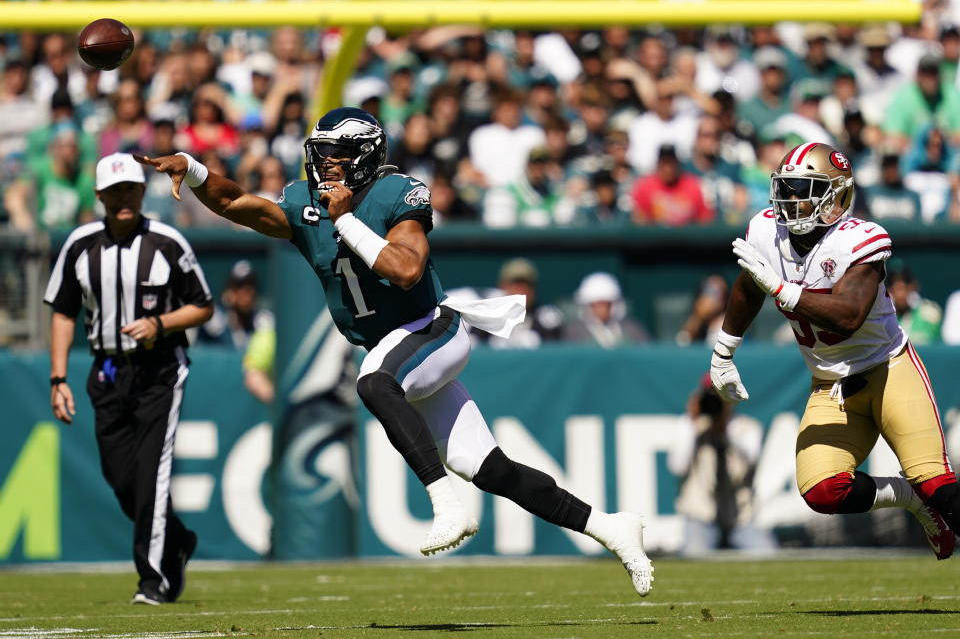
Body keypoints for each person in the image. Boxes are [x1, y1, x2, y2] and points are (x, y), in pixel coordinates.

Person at [136, 107, 653, 596]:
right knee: (493, 469)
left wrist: (346, 223)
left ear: (364, 156)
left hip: (432, 328)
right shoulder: (305, 202)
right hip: (397, 346)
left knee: (373, 380)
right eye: (320, 154)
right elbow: (235, 203)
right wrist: (196, 169)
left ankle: (445, 502)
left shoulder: (396, 193)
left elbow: (406, 270)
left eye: (336, 156)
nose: (324, 165)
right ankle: (608, 526)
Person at [709, 141, 958, 562]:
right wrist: (724, 351)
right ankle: (911, 500)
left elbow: (848, 316)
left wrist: (784, 290)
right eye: (786, 188)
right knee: (822, 489)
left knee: (938, 485)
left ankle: (926, 495)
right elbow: (748, 287)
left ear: (837, 196)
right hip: (831, 385)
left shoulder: (860, 239)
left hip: (889, 372)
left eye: (803, 188)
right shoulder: (767, 231)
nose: (790, 200)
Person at [44, 152, 214, 604]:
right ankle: (176, 539)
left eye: (131, 189)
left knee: (151, 478)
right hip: (107, 369)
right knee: (121, 479)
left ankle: (152, 579)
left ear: (142, 191)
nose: (124, 198)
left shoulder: (167, 241)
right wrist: (57, 377)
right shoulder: (80, 245)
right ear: (99, 195)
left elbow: (203, 305)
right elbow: (62, 311)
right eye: (115, 190)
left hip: (160, 369)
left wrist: (160, 324)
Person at [667, 374, 775, 555]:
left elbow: (751, 458)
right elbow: (677, 466)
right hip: (700, 513)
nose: (717, 400)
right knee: (695, 556)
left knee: (767, 555)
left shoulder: (746, 428)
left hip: (741, 516)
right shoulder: (690, 427)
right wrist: (692, 422)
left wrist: (725, 429)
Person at [564, 272, 649, 348]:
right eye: (596, 305)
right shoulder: (573, 333)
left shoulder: (632, 329)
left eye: (606, 304)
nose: (602, 310)